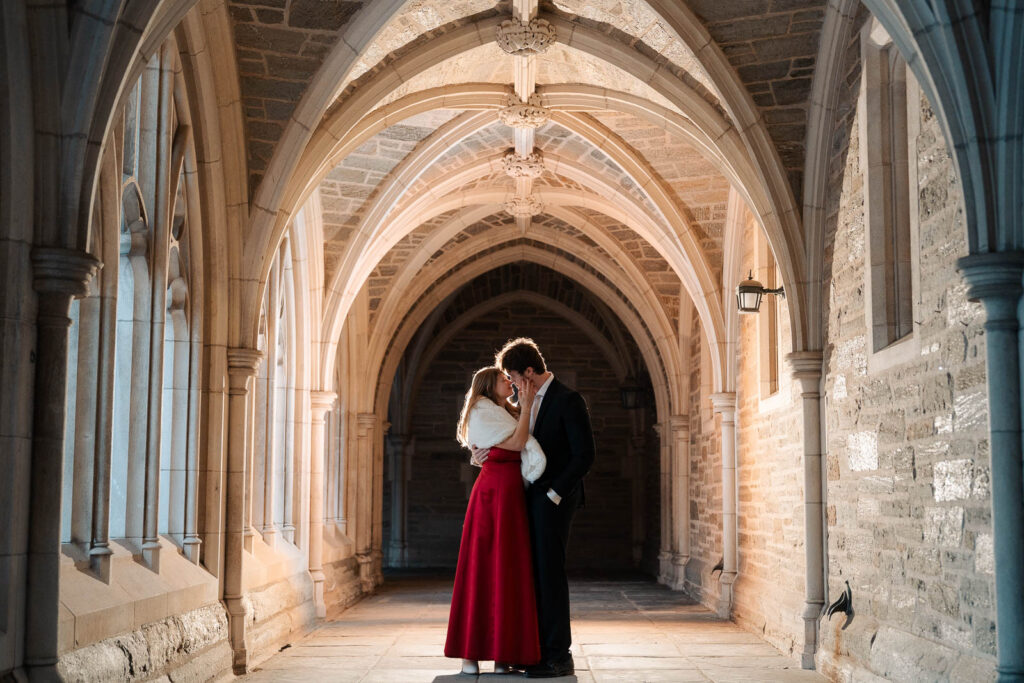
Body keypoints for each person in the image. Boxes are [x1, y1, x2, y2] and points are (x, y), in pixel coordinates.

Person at [480, 338, 596, 678]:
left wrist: (553, 495)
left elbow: (584, 455)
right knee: (529, 577)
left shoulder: (568, 400)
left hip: (554, 501)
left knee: (550, 576)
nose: (512, 384)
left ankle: (559, 657)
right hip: (525, 499)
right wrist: (480, 455)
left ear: (529, 372)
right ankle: (534, 651)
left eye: (514, 376)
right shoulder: (520, 405)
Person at [444, 366, 547, 675]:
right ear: (489, 385)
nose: (509, 382)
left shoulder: (509, 413)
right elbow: (517, 444)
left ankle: (503, 654)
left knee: (508, 571)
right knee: (481, 569)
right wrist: (527, 408)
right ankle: (469, 656)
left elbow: (517, 443)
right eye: (504, 379)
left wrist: (524, 410)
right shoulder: (482, 411)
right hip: (491, 496)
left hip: (513, 495)